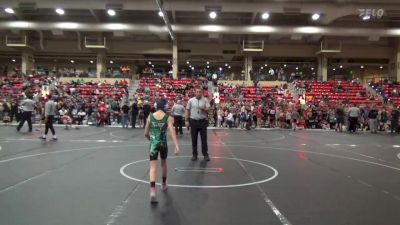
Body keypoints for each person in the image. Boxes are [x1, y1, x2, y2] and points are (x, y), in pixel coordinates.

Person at [144, 98, 180, 204]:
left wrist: (151, 139)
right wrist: (176, 145)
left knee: (153, 167)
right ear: (164, 107)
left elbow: (146, 133)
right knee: (163, 163)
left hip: (153, 144)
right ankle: (163, 184)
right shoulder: (167, 118)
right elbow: (172, 132)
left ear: (156, 106)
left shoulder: (150, 117)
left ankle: (153, 192)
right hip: (163, 144)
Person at [185, 88, 210, 161]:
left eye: (200, 92)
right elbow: (187, 110)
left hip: (202, 121)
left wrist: (204, 109)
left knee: (204, 139)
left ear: (202, 93)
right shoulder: (190, 100)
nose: (198, 93)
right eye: (197, 91)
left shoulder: (205, 100)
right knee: (194, 139)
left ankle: (205, 155)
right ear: (195, 92)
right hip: (193, 121)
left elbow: (208, 109)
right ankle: (194, 155)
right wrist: (186, 121)